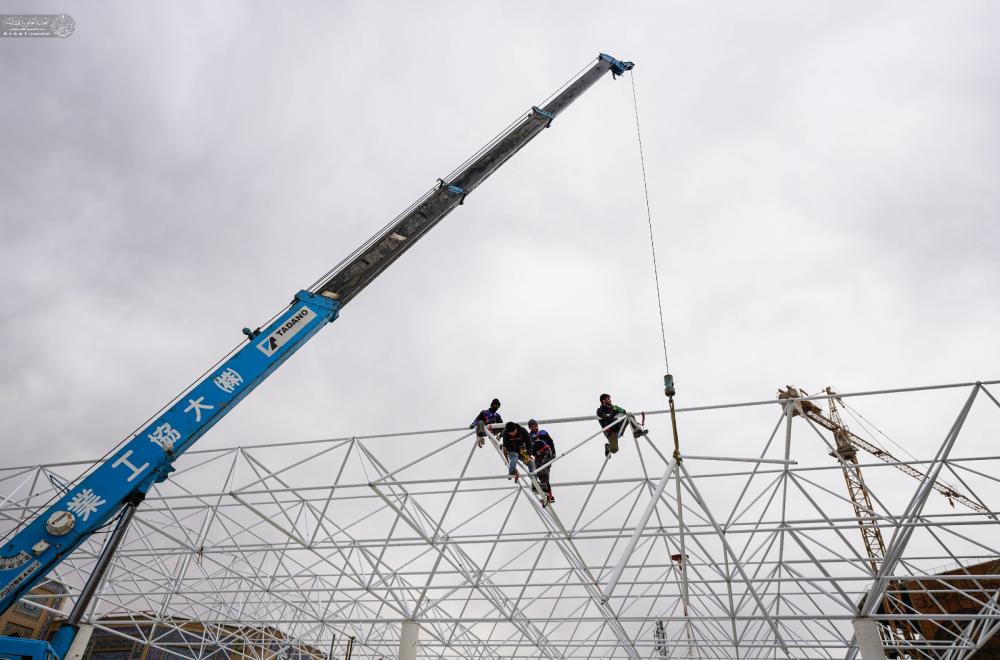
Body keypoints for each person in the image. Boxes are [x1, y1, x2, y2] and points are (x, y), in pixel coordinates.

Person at [597, 393, 647, 458]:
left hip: (619, 428)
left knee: (629, 415)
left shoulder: (612, 407)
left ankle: (636, 432)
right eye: (608, 399)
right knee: (614, 450)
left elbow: (624, 412)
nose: (610, 400)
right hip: (611, 433)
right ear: (603, 401)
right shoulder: (600, 411)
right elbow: (607, 419)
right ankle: (608, 446)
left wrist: (620, 409)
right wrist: (614, 412)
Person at [528, 419, 556, 504]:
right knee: (539, 473)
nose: (533, 428)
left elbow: (551, 442)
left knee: (544, 470)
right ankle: (549, 494)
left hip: (545, 452)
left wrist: (553, 453)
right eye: (531, 427)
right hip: (537, 456)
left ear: (537, 425)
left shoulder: (542, 432)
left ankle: (545, 488)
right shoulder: (528, 436)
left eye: (534, 426)